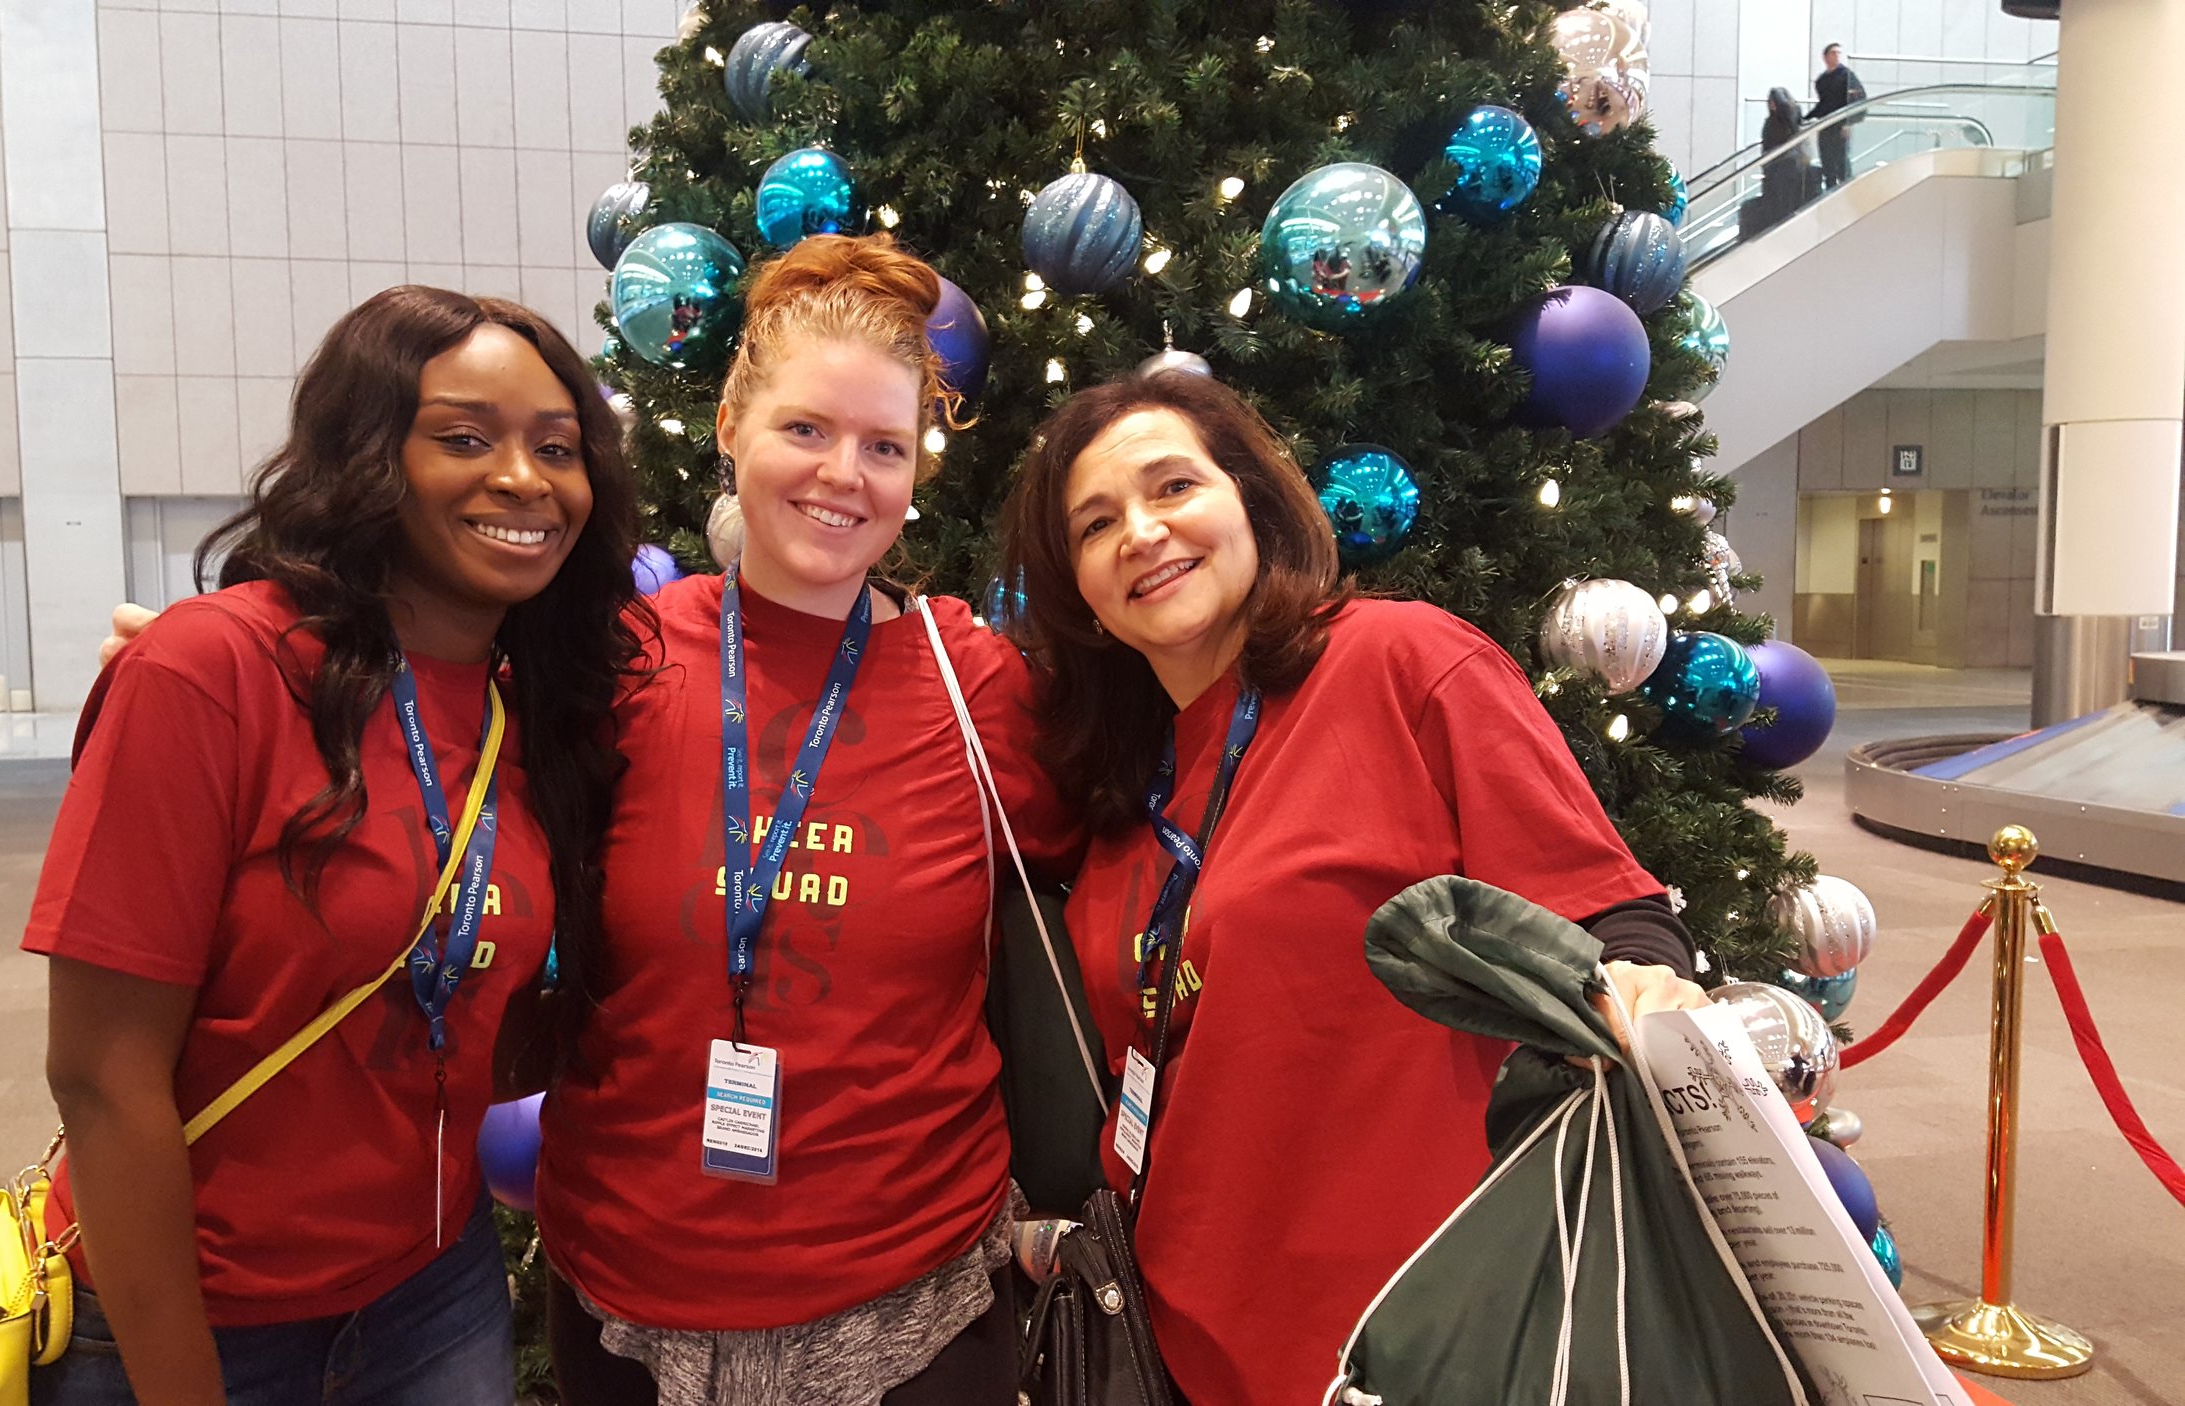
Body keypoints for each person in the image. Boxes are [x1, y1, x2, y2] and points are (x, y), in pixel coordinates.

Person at [996, 370, 1711, 1406]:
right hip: (1181, 1343)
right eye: (1096, 523)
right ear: (1082, 594)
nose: (1141, 533)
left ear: (1251, 502)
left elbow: (1607, 912)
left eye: (1172, 488)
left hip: (1424, 1337)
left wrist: (1648, 984)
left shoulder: (1401, 661)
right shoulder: (1119, 801)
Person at [26, 286, 645, 1405]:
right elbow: (98, 1072)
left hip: (432, 1295)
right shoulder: (211, 671)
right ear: (370, 455)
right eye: (464, 437)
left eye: (557, 447)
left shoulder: (531, 711)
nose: (523, 478)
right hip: (194, 1314)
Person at [530, 232, 1078, 1406]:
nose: (844, 473)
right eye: (805, 429)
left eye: (885, 445)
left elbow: (1168, 821)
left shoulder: (977, 684)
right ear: (730, 425)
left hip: (913, 1306)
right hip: (632, 1295)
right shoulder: (619, 662)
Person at [1809, 42, 1868, 191]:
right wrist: (1807, 118)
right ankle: (1829, 192)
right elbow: (1823, 104)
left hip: (1841, 126)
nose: (1836, 56)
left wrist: (1849, 122)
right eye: (1833, 53)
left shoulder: (1847, 76)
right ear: (1825, 57)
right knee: (1827, 163)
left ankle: (1846, 191)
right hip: (1826, 126)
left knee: (1841, 162)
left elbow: (1859, 100)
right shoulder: (1822, 80)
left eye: (1838, 53)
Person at [1757, 87, 1812, 229]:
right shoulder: (1794, 118)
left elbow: (1769, 145)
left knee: (1779, 204)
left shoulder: (1775, 122)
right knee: (1785, 203)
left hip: (1779, 168)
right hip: (1789, 167)